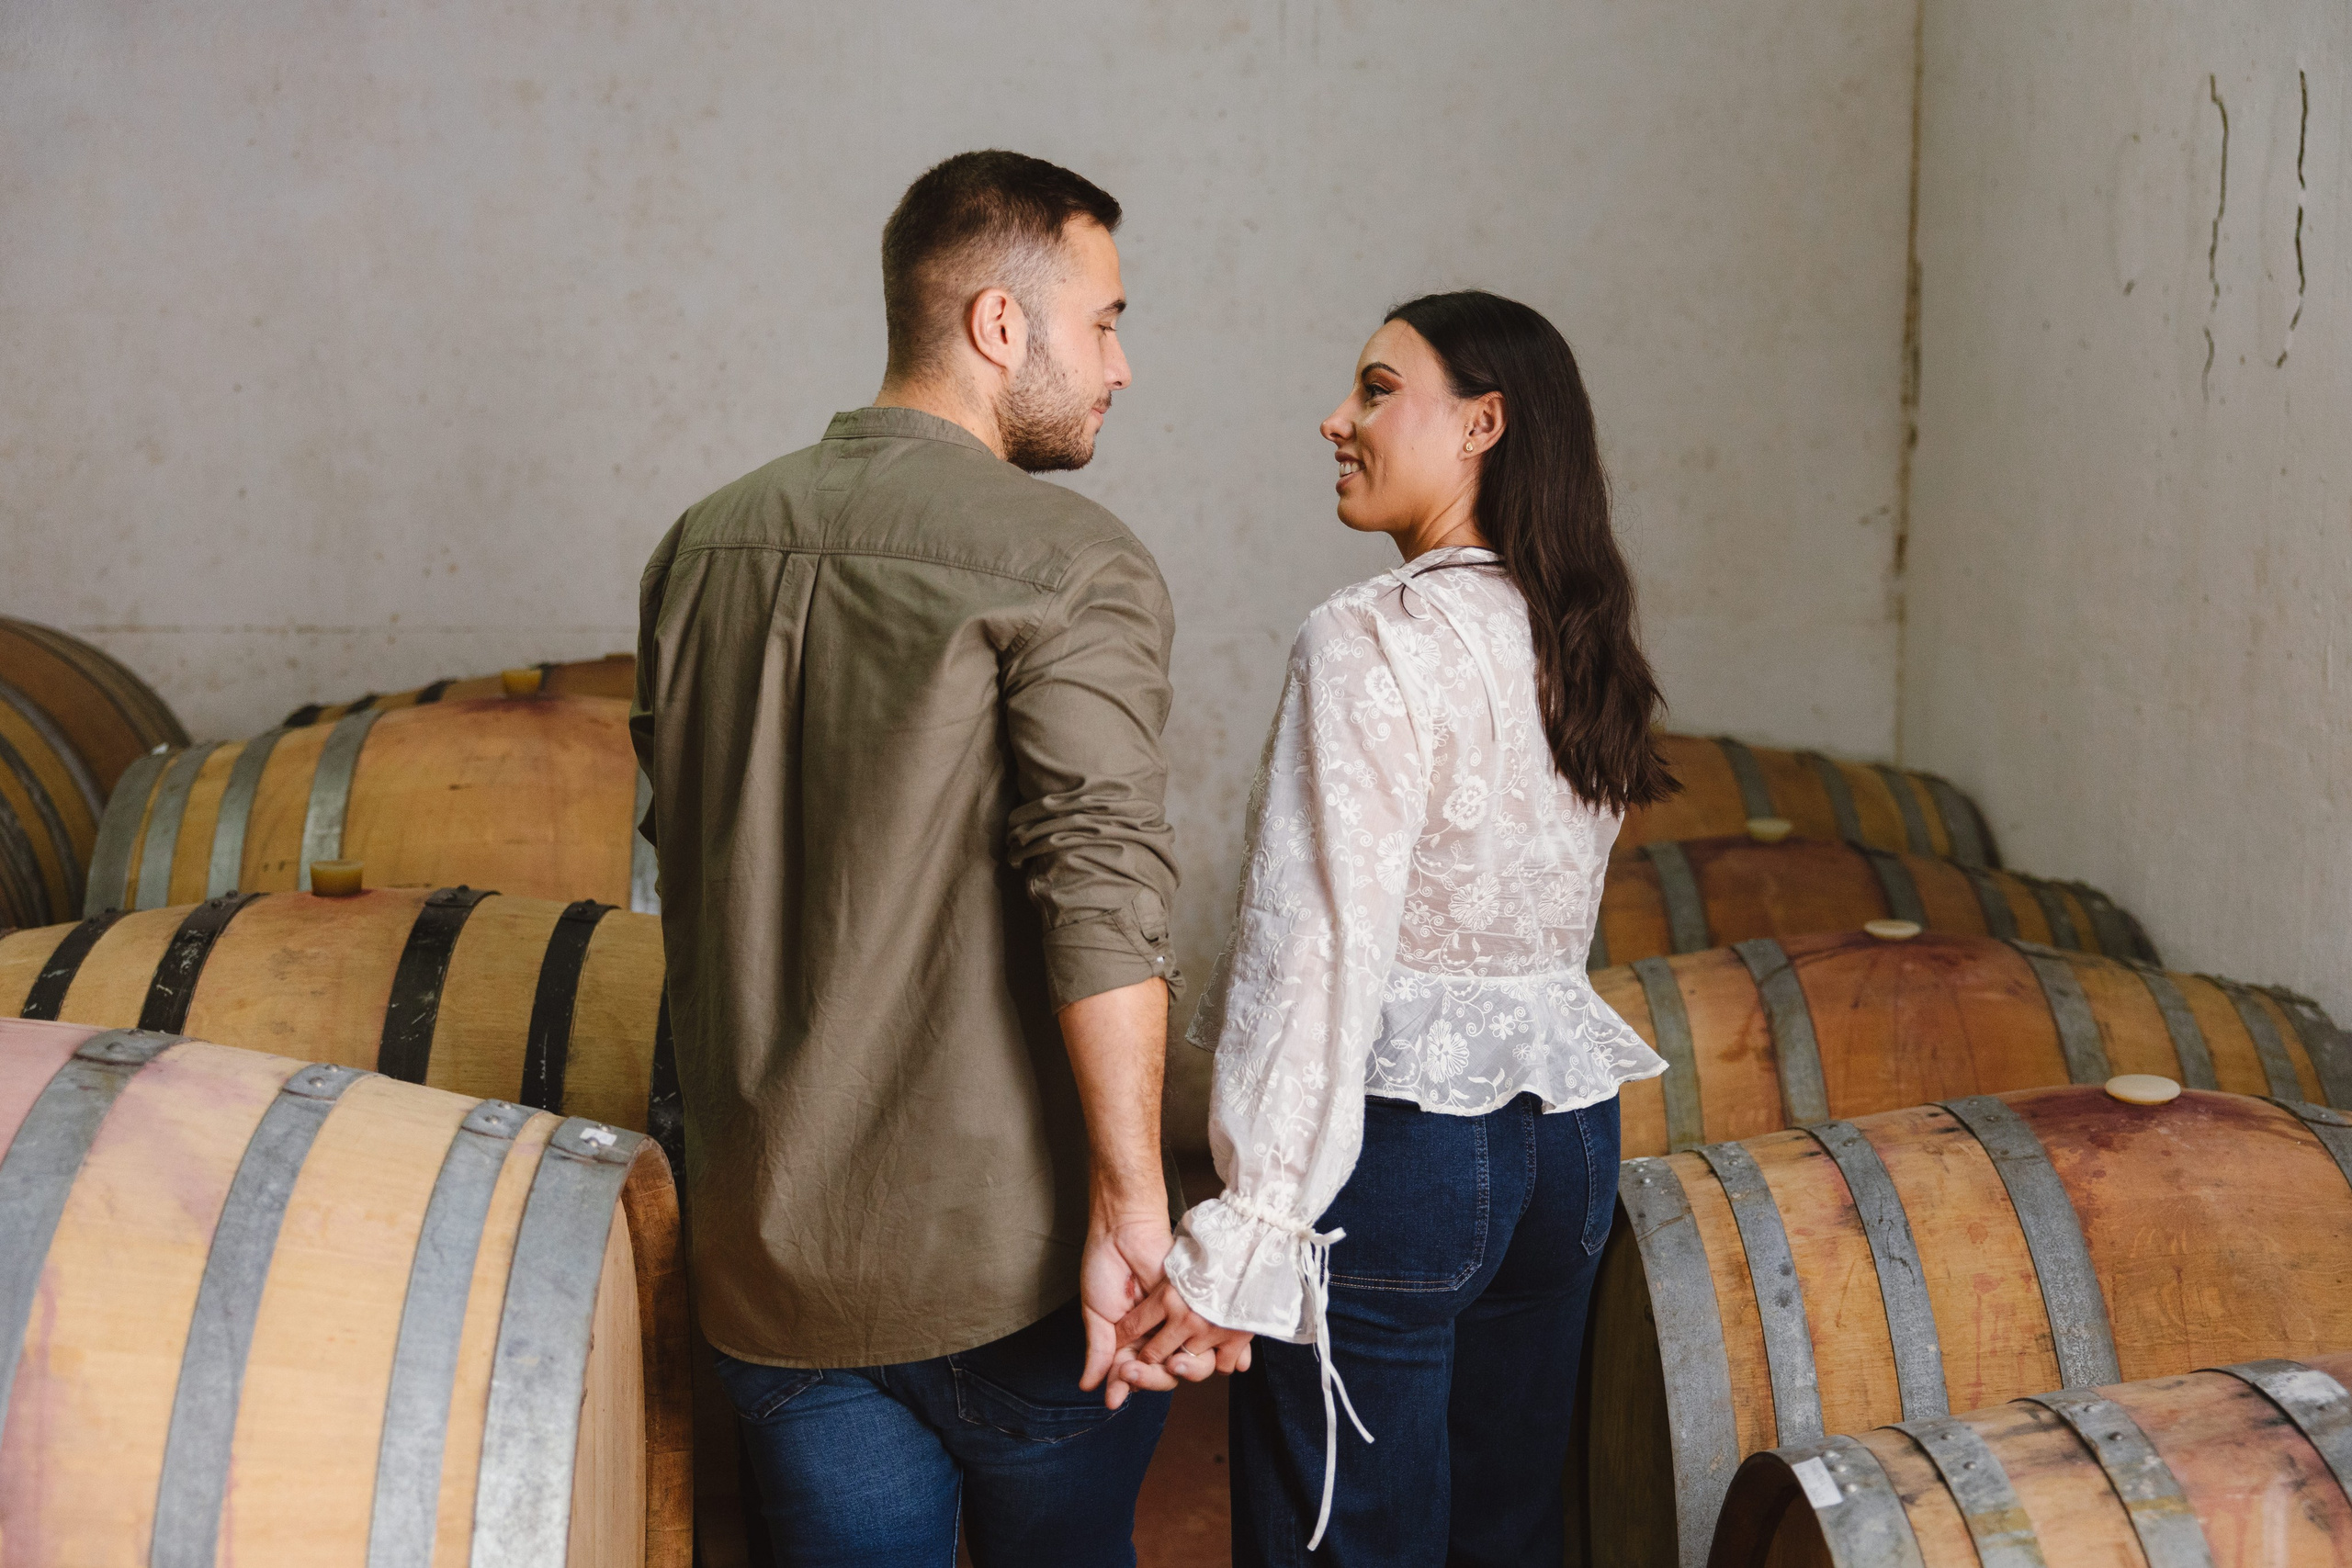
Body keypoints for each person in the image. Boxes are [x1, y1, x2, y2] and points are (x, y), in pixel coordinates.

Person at [631, 149, 1250, 1568]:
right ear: (995, 324)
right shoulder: (1072, 561)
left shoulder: (699, 547)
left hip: (767, 1265)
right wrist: (1135, 1214)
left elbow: (696, 857)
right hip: (1006, 1273)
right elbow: (1102, 892)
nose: (1123, 366)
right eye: (1104, 320)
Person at [1112, 290, 1679, 1564]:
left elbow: (1318, 954)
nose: (1336, 418)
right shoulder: (1577, 634)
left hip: (1407, 1153)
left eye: (1376, 389)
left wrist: (1252, 1227)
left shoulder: (1370, 639)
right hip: (1569, 1145)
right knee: (1510, 1531)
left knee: (1351, 1544)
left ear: (1483, 423)